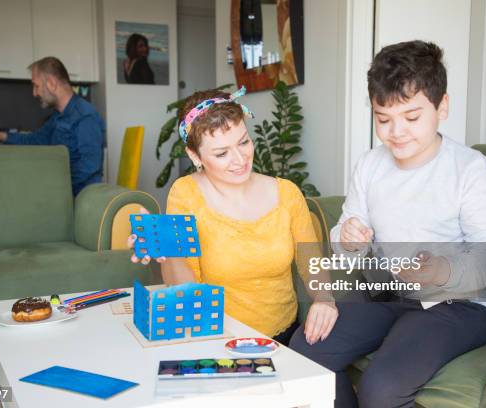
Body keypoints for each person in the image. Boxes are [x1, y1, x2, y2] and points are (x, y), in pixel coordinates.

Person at [289, 41, 486, 407]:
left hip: (460, 304)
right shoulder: (370, 165)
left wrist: (442, 270)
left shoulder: (474, 172)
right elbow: (347, 245)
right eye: (383, 119)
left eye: (411, 117)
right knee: (305, 353)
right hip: (387, 290)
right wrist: (348, 239)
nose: (396, 132)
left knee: (383, 387)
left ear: (442, 106)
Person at [128, 87, 337, 345]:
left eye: (243, 142)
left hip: (282, 337)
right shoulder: (186, 194)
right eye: (221, 153)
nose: (240, 160)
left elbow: (312, 263)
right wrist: (168, 247)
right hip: (216, 337)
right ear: (195, 156)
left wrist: (325, 299)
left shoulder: (287, 193)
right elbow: (185, 289)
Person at [0, 57, 105, 196]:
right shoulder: (58, 116)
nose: (34, 93)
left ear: (51, 83)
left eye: (36, 86)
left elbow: (89, 166)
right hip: (64, 193)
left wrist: (54, 187)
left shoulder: (85, 116)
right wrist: (1, 135)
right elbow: (37, 139)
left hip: (82, 198)